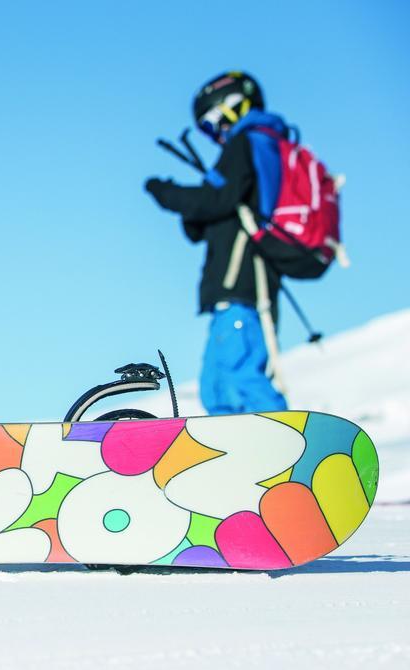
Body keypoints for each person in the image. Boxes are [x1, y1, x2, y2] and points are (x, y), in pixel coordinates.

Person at [144, 70, 290, 414]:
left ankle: (291, 451)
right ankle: (242, 460)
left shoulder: (250, 142)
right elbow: (208, 217)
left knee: (239, 377)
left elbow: (215, 201)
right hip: (237, 289)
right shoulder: (258, 147)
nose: (214, 135)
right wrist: (193, 206)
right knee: (217, 387)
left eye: (211, 123)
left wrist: (167, 193)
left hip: (243, 285)